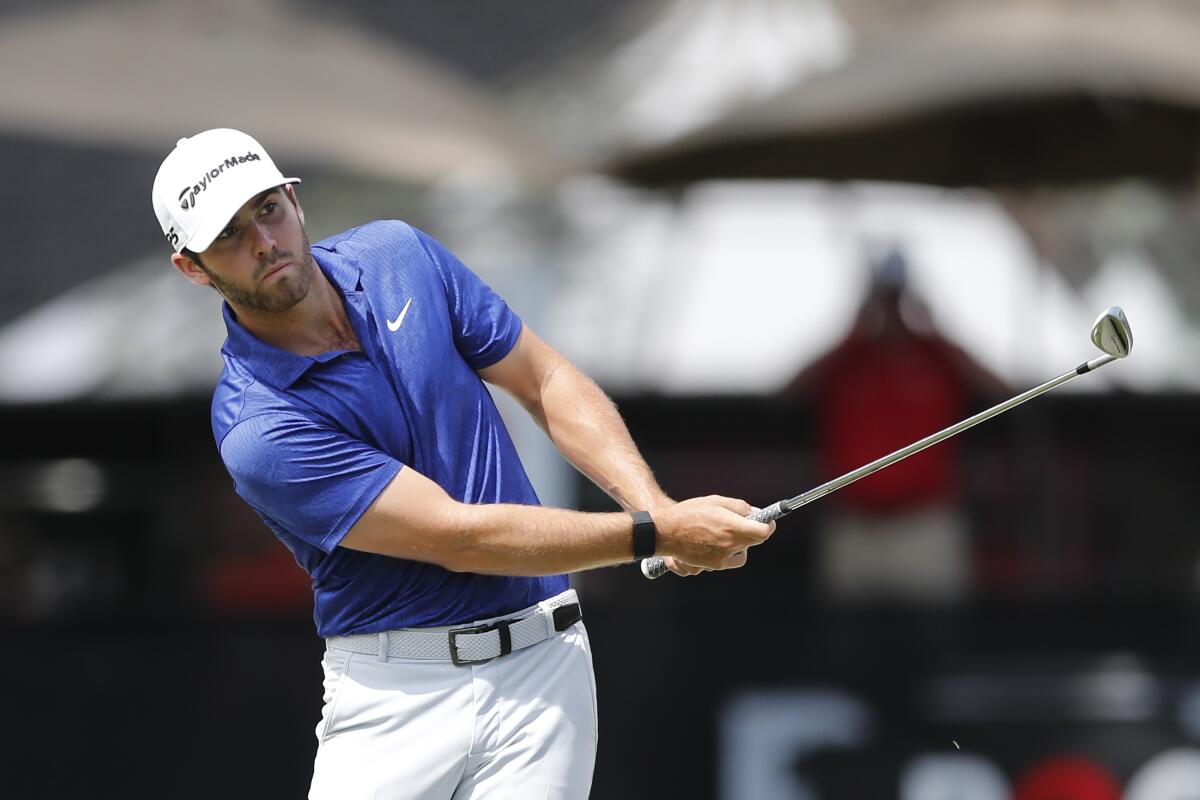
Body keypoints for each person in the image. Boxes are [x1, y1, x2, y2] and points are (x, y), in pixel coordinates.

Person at [151, 128, 773, 799]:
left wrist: (655, 504)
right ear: (194, 268)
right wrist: (655, 535)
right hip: (396, 702)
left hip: (544, 669)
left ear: (295, 203)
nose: (264, 243)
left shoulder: (398, 255)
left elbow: (543, 379)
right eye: (230, 236)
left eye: (268, 210)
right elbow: (459, 537)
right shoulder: (257, 425)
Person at [781, 249, 1005, 604]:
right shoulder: (848, 360)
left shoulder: (937, 357)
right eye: (884, 301)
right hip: (855, 522)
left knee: (933, 634)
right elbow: (789, 392)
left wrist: (938, 333)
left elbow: (1000, 392)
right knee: (848, 640)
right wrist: (852, 332)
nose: (891, 312)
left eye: (897, 300)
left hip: (924, 522)